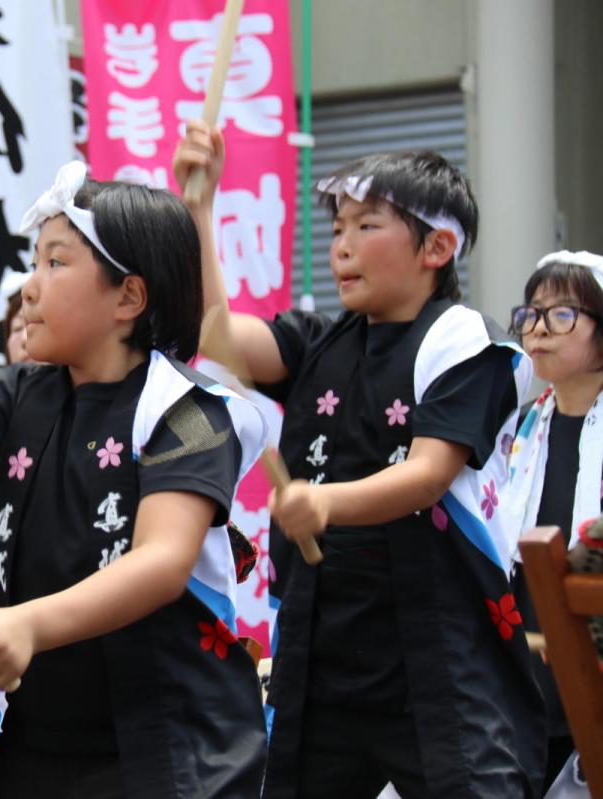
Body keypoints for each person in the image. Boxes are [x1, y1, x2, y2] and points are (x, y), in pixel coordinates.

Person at [174, 122, 545, 797]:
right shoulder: (321, 341)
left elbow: (429, 472)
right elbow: (217, 337)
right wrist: (201, 205)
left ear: (438, 246)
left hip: (438, 647)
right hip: (323, 645)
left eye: (365, 225)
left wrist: (323, 501)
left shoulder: (466, 341)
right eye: (338, 226)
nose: (340, 245)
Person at [0, 160, 269, 798]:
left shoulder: (191, 412)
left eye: (56, 264)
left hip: (171, 749)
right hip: (33, 743)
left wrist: (28, 624)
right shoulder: (12, 394)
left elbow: (163, 561)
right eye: (35, 262)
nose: (30, 287)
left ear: (128, 298)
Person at [503, 249, 603, 792]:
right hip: (525, 683)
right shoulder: (519, 431)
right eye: (532, 314)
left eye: (562, 314)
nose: (538, 329)